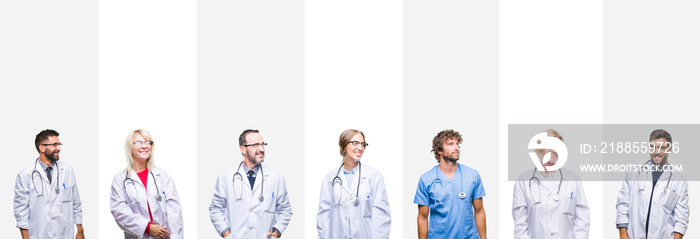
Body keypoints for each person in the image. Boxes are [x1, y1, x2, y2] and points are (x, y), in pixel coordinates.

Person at [209, 129, 293, 239]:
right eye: (256, 145)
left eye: (263, 144)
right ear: (243, 149)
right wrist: (226, 234)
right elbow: (216, 209)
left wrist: (276, 232)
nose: (261, 149)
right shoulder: (225, 178)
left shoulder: (276, 178)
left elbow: (285, 210)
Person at [512, 129, 590, 238]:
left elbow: (582, 219)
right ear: (539, 150)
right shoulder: (523, 182)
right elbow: (520, 225)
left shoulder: (573, 179)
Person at [316, 129, 391, 238]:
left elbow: (381, 216)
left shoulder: (373, 176)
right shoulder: (330, 178)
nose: (360, 148)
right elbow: (323, 216)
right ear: (344, 145)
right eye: (355, 143)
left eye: (363, 144)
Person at [110, 129, 184, 239]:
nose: (144, 146)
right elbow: (119, 212)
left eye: (148, 142)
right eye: (139, 142)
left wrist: (175, 237)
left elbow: (175, 212)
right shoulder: (120, 179)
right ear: (130, 147)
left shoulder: (162, 176)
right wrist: (147, 228)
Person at [616, 129, 689, 239]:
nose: (656, 152)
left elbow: (682, 217)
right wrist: (623, 235)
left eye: (662, 148)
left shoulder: (679, 181)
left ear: (670, 149)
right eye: (653, 147)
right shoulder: (633, 174)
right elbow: (623, 204)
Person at [414, 129, 487, 239]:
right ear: (439, 150)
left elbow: (479, 211)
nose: (456, 148)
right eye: (450, 144)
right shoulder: (426, 180)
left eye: (457, 144)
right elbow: (422, 217)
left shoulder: (472, 176)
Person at [14, 129, 85, 239]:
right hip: (38, 235)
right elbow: (21, 212)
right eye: (54, 145)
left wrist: (80, 230)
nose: (59, 148)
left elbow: (76, 203)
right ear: (42, 147)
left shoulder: (68, 170)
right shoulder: (25, 175)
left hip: (64, 234)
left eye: (59, 144)